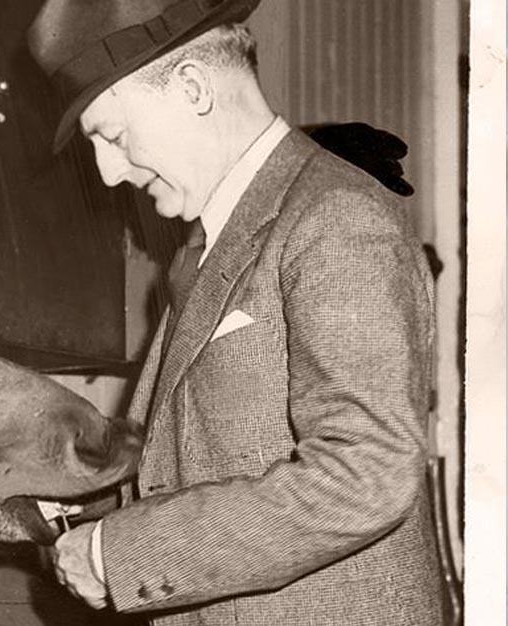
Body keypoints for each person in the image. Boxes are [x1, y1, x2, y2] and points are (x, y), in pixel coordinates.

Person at [27, 1, 444, 624]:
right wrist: (76, 509)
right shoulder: (205, 250)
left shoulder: (338, 220)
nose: (108, 172)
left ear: (193, 89)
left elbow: (368, 469)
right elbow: (195, 464)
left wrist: (120, 554)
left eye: (111, 136)